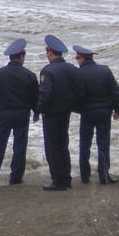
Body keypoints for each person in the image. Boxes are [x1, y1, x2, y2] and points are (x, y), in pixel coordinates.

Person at [0, 38, 40, 185]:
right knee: (20, 145)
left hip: (5, 113)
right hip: (22, 113)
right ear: (21, 57)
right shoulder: (29, 75)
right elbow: (36, 96)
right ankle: (16, 177)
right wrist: (36, 112)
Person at [38, 35, 84, 191]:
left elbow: (46, 95)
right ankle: (66, 178)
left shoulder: (48, 71)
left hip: (51, 115)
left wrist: (40, 110)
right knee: (63, 145)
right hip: (66, 113)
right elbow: (80, 92)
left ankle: (58, 180)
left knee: (53, 148)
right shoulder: (72, 69)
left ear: (49, 53)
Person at [73, 45, 119, 185]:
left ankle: (84, 176)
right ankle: (104, 175)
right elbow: (115, 92)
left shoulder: (78, 74)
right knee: (103, 144)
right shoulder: (105, 70)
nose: (77, 61)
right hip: (104, 112)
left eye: (77, 58)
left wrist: (79, 109)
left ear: (81, 58)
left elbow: (76, 96)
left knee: (84, 144)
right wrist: (117, 109)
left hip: (87, 113)